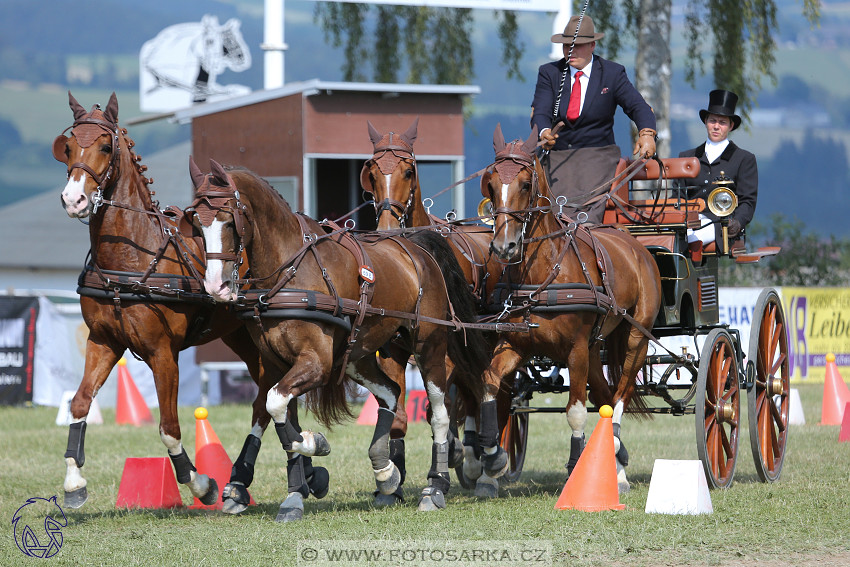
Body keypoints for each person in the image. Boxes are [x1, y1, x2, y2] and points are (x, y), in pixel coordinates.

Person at [531, 14, 657, 223]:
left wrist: (647, 133)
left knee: (579, 214)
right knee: (545, 212)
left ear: (592, 45)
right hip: (557, 156)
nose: (570, 51)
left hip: (598, 156)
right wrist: (544, 131)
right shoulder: (549, 73)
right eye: (566, 46)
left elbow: (638, 107)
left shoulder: (612, 73)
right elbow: (541, 111)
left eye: (577, 46)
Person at [678, 89, 757, 261]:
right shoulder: (687, 157)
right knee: (673, 237)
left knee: (686, 240)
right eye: (712, 120)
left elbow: (747, 201)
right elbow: (677, 196)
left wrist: (737, 222)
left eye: (722, 122)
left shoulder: (744, 159)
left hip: (721, 225)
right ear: (705, 122)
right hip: (688, 220)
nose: (716, 126)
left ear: (731, 126)